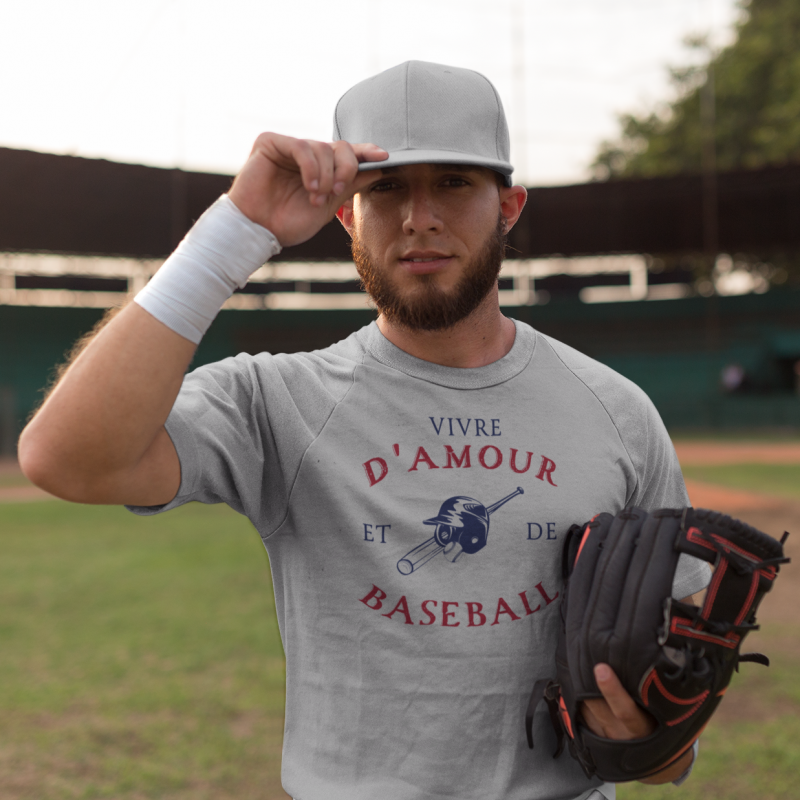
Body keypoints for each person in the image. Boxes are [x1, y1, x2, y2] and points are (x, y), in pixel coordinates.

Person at [19, 61, 710, 800]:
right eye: (385, 189)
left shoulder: (617, 410)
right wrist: (233, 232)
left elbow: (674, 700)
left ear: (508, 205)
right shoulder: (276, 401)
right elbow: (68, 459)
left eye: (453, 183)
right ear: (346, 215)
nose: (419, 218)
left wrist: (657, 744)